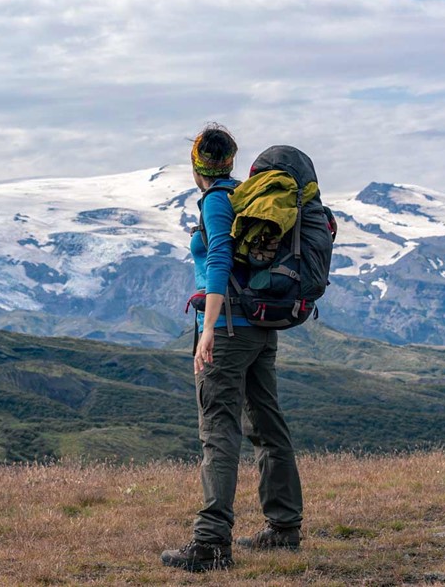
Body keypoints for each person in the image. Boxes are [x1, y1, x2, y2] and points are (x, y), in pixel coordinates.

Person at [161, 124, 304, 572]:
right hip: (260, 328)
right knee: (266, 423)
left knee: (219, 431)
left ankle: (211, 544)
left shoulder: (218, 202)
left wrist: (209, 329)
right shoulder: (245, 197)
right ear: (230, 162)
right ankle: (283, 529)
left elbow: (220, 257)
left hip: (226, 330)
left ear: (196, 165)